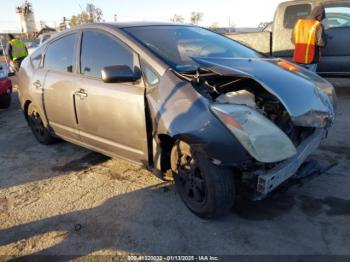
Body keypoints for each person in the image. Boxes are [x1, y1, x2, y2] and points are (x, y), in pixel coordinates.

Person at [292, 5, 326, 72]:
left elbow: (293, 40)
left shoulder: (299, 23)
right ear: (320, 15)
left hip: (298, 58)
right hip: (312, 58)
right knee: (311, 79)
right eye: (322, 17)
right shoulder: (318, 25)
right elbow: (320, 42)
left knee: (300, 78)